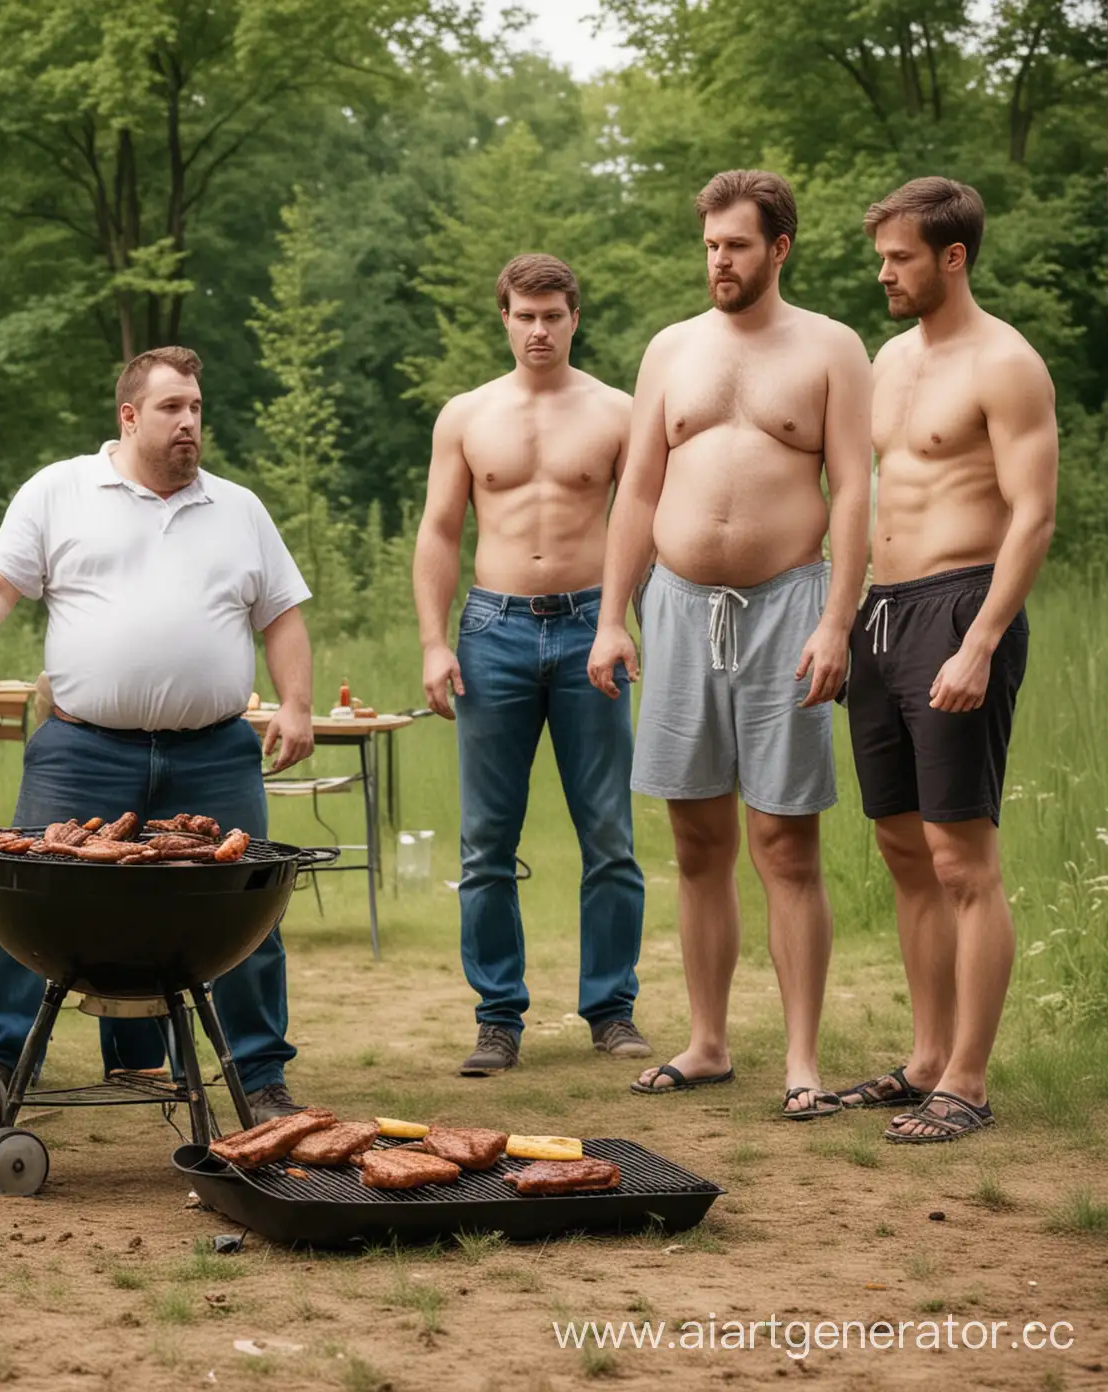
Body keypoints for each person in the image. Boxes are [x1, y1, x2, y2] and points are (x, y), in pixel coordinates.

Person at [0, 346, 318, 1122]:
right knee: (18, 889)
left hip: (214, 751)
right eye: (172, 408)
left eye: (197, 408)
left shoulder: (239, 508)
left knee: (247, 906)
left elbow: (281, 616)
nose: (190, 423)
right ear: (129, 415)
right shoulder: (61, 490)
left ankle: (259, 1074)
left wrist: (296, 704)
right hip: (83, 749)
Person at [588, 170, 872, 1120]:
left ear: (778, 248)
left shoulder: (831, 348)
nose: (720, 259)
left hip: (789, 608)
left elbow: (854, 493)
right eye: (711, 244)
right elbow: (637, 489)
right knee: (695, 836)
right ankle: (707, 1042)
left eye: (738, 245)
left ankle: (801, 1062)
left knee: (784, 841)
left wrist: (839, 620)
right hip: (675, 608)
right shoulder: (670, 349)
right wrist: (610, 615)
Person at [837, 177, 1057, 1143]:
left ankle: (967, 1079)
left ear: (953, 257)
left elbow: (1035, 514)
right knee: (901, 847)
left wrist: (980, 641)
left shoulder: (1006, 363)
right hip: (880, 617)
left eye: (900, 257)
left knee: (963, 859)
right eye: (881, 256)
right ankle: (925, 1058)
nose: (884, 272)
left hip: (961, 608)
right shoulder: (887, 358)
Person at [412, 253, 649, 1076]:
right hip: (494, 629)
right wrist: (435, 642)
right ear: (504, 317)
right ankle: (498, 1017)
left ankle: (612, 1010)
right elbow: (441, 531)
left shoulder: (619, 411)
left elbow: (641, 523)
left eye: (553, 314)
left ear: (574, 317)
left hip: (591, 626)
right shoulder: (467, 416)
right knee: (486, 841)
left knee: (609, 834)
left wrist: (622, 621)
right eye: (524, 314)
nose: (539, 328)